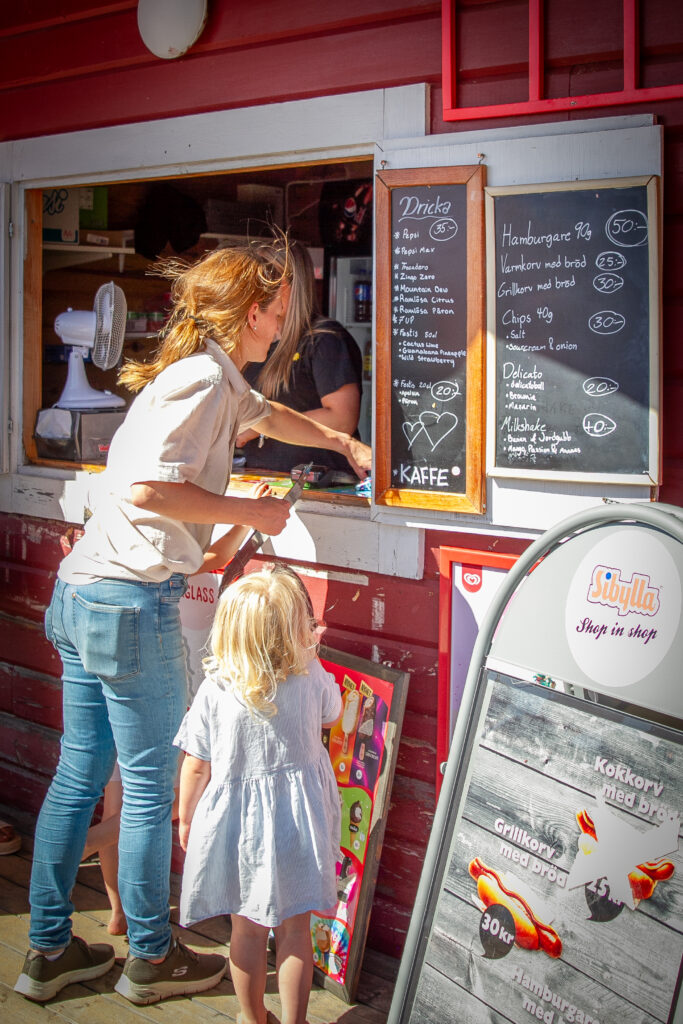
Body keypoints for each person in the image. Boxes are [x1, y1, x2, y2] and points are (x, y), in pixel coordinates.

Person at [15, 240, 370, 1006]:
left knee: (78, 778)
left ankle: (46, 950)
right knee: (145, 789)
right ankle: (150, 955)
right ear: (248, 313)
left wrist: (340, 439)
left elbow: (270, 413)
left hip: (83, 595)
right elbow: (148, 489)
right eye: (275, 316)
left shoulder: (209, 375)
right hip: (128, 600)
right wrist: (248, 510)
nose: (280, 332)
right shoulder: (206, 378)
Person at [80, 482, 273, 937]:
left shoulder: (117, 555)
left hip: (122, 682)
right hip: (169, 696)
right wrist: (248, 515)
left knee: (120, 794)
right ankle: (83, 845)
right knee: (165, 802)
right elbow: (215, 558)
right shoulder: (173, 561)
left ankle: (117, 912)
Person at [175, 565, 342, 1024]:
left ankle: (252, 1018)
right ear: (297, 627)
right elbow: (333, 713)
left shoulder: (216, 688)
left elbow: (195, 764)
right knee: (295, 931)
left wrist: (186, 818)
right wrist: (312, 657)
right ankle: (296, 1021)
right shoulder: (308, 675)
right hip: (298, 823)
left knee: (245, 932)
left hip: (239, 829)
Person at [237, 240, 362, 476]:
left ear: (289, 284)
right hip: (265, 480)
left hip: (323, 484)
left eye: (267, 280)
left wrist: (260, 426)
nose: (259, 289)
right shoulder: (257, 342)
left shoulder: (324, 339)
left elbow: (342, 419)